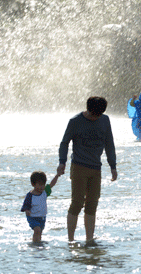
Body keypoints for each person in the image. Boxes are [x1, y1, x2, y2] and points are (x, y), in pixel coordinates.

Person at [57, 96, 117, 243]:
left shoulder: (104, 120)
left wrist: (113, 166)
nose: (95, 118)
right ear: (88, 110)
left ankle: (89, 239)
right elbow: (64, 143)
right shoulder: (75, 121)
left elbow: (109, 143)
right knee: (77, 203)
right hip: (79, 167)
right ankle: (71, 239)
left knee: (92, 204)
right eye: (93, 115)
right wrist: (62, 162)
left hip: (96, 168)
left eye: (98, 115)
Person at [21, 171, 60, 242]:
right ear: (33, 184)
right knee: (37, 230)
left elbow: (52, 184)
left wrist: (57, 175)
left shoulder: (45, 192)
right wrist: (27, 210)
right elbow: (26, 204)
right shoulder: (30, 195)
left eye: (43, 184)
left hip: (42, 217)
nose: (42, 187)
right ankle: (35, 244)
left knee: (40, 232)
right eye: (40, 185)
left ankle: (37, 244)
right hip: (32, 217)